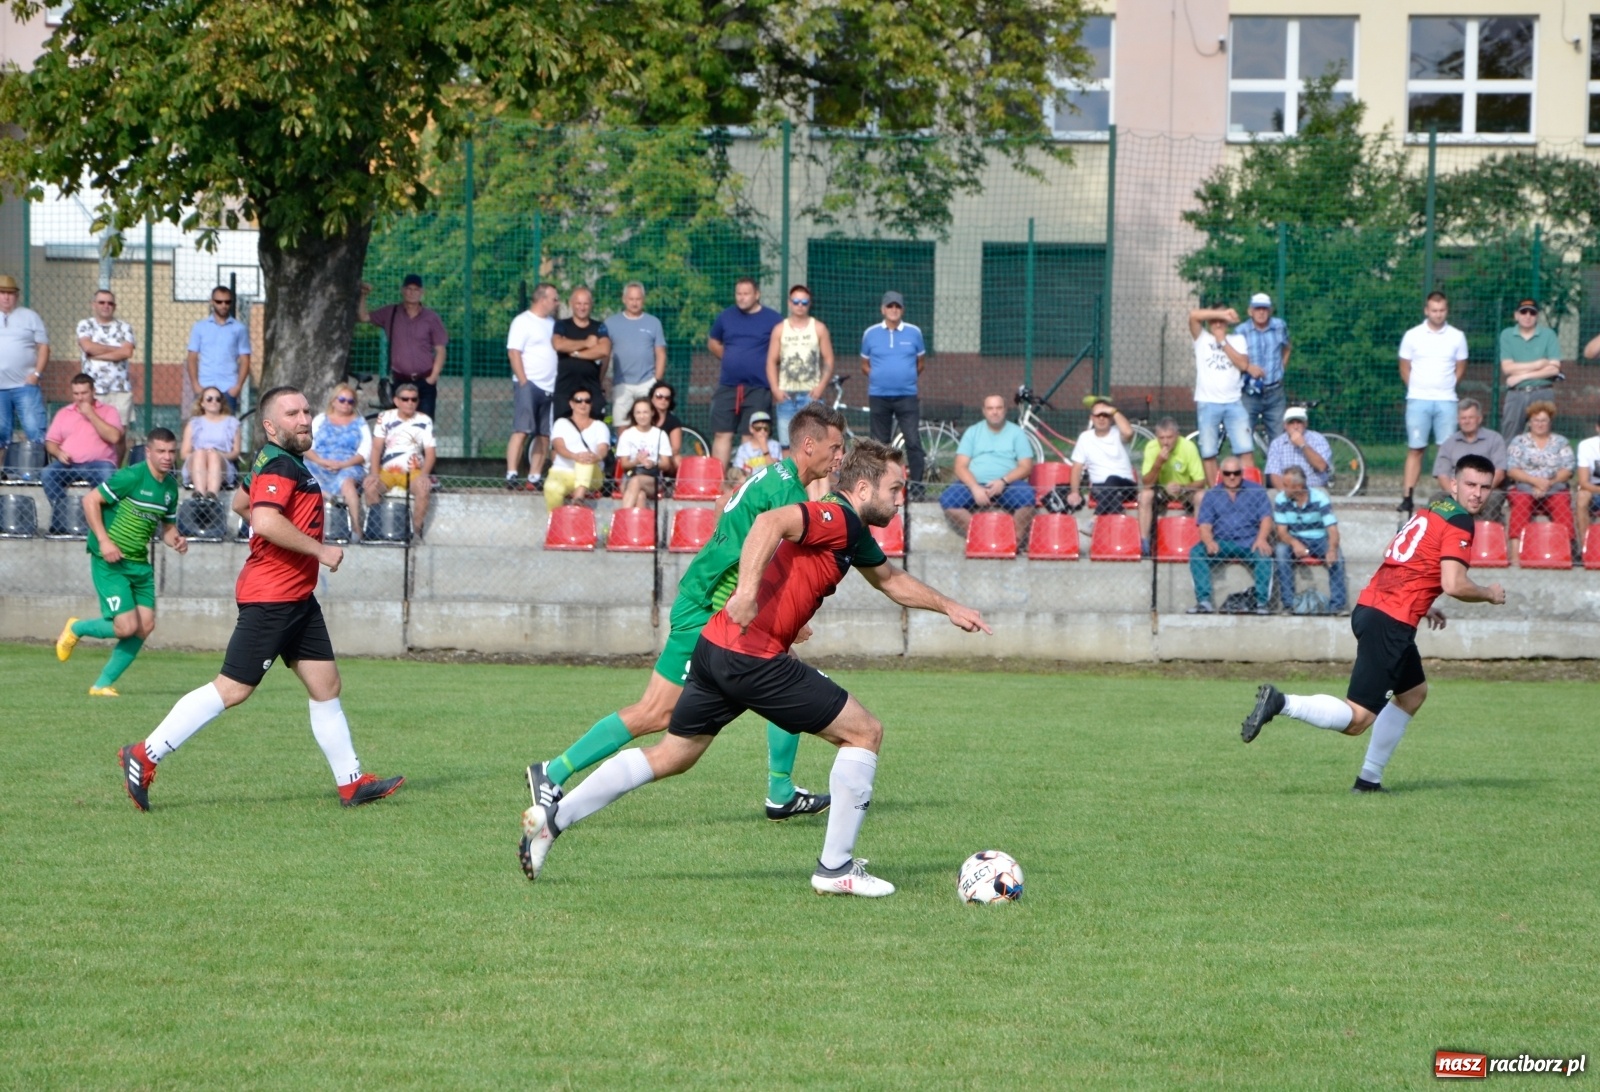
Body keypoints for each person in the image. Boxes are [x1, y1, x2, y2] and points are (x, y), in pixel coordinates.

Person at [519, 440, 992, 895]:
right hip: (753, 657)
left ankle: (553, 821)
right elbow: (768, 523)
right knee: (864, 732)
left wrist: (949, 606)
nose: (899, 498)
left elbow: (890, 579)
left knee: (674, 754)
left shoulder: (854, 533)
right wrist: (746, 593)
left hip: (716, 647)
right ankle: (836, 868)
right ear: (864, 490)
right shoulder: (836, 516)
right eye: (894, 489)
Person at [523, 403, 852, 826]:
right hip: (708, 607)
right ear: (810, 444)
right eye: (835, 446)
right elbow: (761, 549)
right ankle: (552, 772)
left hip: (716, 601)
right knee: (656, 712)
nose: (839, 455)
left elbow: (724, 505)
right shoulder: (785, 494)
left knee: (784, 679)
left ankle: (781, 791)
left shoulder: (774, 475)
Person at [117, 386, 404, 812]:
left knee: (326, 685)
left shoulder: (280, 462)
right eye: (292, 414)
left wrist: (285, 538)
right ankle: (143, 754)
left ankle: (351, 783)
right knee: (232, 689)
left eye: (307, 411)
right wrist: (319, 549)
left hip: (297, 598)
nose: (304, 419)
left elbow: (240, 502)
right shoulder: (281, 465)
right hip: (272, 598)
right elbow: (265, 519)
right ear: (270, 426)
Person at [1240, 454, 1507, 792]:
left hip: (1374, 607)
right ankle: (1282, 702)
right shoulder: (1460, 522)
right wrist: (1489, 593)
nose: (1477, 493)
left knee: (1413, 694)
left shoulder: (1434, 508)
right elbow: (1454, 584)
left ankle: (1368, 781)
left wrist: (1423, 604)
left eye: (1485, 487)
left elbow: (1395, 553)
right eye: (1470, 484)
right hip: (1391, 621)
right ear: (1453, 483)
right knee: (1358, 720)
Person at [55, 427, 186, 697]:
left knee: (145, 625)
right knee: (125, 627)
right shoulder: (132, 476)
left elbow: (168, 528)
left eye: (171, 451)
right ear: (148, 451)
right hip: (111, 560)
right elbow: (91, 500)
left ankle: (101, 685)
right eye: (160, 451)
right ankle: (76, 627)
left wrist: (176, 540)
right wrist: (104, 541)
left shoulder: (171, 487)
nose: (167, 457)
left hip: (140, 564)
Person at [1396, 291, 1468, 515]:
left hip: (1446, 400)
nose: (1438, 314)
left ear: (1447, 311)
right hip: (1418, 400)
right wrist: (1416, 388)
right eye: (1434, 310)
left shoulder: (1457, 336)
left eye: (1442, 310)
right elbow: (1404, 366)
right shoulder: (1412, 335)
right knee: (1416, 448)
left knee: (1447, 450)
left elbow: (1461, 366)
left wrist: (1446, 387)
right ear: (1427, 310)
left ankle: (1452, 495)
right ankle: (1407, 497)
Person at [939, 393, 1036, 543]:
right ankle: (981, 537)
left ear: (1005, 410)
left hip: (1008, 485)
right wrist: (974, 487)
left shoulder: (1017, 433)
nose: (995, 412)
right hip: (973, 484)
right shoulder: (972, 432)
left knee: (1028, 498)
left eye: (999, 408)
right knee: (949, 500)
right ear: (984, 411)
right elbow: (960, 466)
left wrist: (1003, 481)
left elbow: (1026, 466)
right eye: (990, 408)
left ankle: (1013, 542)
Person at [708, 277, 781, 468]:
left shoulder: (773, 319)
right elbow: (713, 342)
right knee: (722, 432)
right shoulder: (725, 317)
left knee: (751, 434)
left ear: (757, 294)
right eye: (738, 293)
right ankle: (719, 484)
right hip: (728, 384)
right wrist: (731, 358)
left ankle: (748, 482)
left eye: (746, 293)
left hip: (759, 386)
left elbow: (781, 349)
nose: (741, 298)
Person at [1188, 455, 1273, 615]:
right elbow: (1204, 524)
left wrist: (1261, 539)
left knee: (1264, 554)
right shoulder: (1212, 494)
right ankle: (1204, 601)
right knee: (1197, 553)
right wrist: (1209, 541)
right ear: (1221, 473)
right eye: (1227, 473)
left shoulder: (1257, 491)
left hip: (1250, 542)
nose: (1232, 477)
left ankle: (1262, 603)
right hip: (1222, 542)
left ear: (1242, 472)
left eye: (1236, 473)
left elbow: (1266, 519)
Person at [359, 274, 448, 420]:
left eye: (416, 289)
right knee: (398, 427)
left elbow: (441, 350)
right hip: (400, 381)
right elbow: (363, 317)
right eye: (409, 289)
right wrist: (363, 295)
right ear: (403, 290)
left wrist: (433, 377)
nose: (412, 293)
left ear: (422, 292)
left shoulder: (431, 318)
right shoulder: (391, 313)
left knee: (424, 425)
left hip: (424, 381)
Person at [860, 290, 926, 487]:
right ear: (883, 309)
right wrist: (879, 378)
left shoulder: (914, 332)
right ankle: (880, 487)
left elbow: (920, 363)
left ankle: (916, 487)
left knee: (913, 441)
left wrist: (906, 378)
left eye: (897, 306)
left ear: (902, 309)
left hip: (907, 396)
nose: (894, 309)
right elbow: (864, 364)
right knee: (879, 445)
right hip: (879, 396)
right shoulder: (870, 334)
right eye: (890, 306)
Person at [43, 373, 124, 533]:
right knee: (48, 474)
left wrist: (90, 414)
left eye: (84, 393)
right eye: (76, 394)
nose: (80, 398)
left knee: (108, 477)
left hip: (99, 463)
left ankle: (105, 523)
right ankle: (64, 516)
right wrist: (58, 453)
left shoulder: (108, 411)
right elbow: (50, 442)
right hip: (69, 464)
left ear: (93, 392)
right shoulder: (64, 413)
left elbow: (114, 437)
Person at [1188, 306, 1257, 482]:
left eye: (1222, 321)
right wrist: (1221, 314)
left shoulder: (1238, 339)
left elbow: (1242, 364)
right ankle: (1215, 494)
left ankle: (1247, 492)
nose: (1218, 324)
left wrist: (1223, 341)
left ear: (1228, 323)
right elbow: (1194, 316)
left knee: (1245, 449)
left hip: (1234, 402)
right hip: (1208, 402)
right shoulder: (1202, 339)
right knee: (1209, 452)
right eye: (1214, 320)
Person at [765, 284, 835, 450]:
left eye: (804, 302)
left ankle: (816, 478)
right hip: (786, 396)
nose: (800, 305)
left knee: (814, 446)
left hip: (811, 396)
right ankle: (789, 477)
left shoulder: (819, 328)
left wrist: (820, 387)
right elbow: (771, 361)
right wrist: (775, 389)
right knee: (787, 446)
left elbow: (829, 360)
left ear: (809, 304)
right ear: (789, 303)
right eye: (796, 301)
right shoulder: (780, 329)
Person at [363, 382, 436, 539]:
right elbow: (376, 448)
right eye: (405, 399)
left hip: (413, 471)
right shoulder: (385, 417)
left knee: (423, 490)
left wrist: (424, 475)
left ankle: (415, 534)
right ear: (396, 401)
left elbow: (430, 453)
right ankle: (378, 530)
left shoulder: (424, 420)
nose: (410, 403)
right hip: (388, 471)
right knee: (371, 488)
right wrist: (374, 473)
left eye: (413, 399)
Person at [505, 283, 560, 491]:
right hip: (530, 384)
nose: (556, 303)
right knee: (522, 429)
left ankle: (535, 476)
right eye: (554, 299)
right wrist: (523, 381)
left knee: (544, 434)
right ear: (542, 299)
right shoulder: (522, 322)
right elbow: (514, 352)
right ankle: (512, 473)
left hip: (550, 386)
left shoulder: (552, 324)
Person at [1272, 466, 1347, 614]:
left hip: (1318, 538)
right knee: (1281, 551)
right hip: (1294, 537)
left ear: (1298, 486)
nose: (1283, 489)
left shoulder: (1320, 498)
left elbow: (1333, 530)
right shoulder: (1281, 499)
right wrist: (1294, 543)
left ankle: (1338, 606)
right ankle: (1288, 604)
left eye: (1287, 486)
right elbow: (1281, 532)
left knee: (1337, 556)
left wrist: (1331, 549)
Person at [1504, 401, 1575, 549]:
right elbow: (1511, 469)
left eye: (1544, 420)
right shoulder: (1519, 441)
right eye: (1536, 420)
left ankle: (1565, 552)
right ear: (1529, 422)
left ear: (1550, 422)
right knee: (1521, 504)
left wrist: (1548, 483)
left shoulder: (1561, 442)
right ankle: (1516, 556)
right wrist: (1535, 481)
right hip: (1524, 487)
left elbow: (1568, 469)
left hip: (1554, 487)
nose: (1540, 424)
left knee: (1561, 504)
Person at [1136, 416, 1206, 555]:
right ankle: (1144, 542)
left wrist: (1182, 487)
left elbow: (1201, 481)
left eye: (1169, 437)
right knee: (1145, 495)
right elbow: (1147, 483)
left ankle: (1201, 542)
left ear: (1177, 436)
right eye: (1161, 438)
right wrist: (1158, 464)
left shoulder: (1188, 447)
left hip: (1185, 490)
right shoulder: (1151, 447)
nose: (1165, 442)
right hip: (1162, 490)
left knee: (1201, 496)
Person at [307, 383, 372, 529]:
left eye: (350, 401)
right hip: (320, 462)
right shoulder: (321, 419)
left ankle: (356, 528)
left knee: (347, 483)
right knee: (303, 475)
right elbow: (306, 446)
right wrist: (320, 461)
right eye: (342, 400)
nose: (346, 404)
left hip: (349, 464)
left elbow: (365, 452)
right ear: (333, 401)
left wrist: (343, 464)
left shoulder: (360, 423)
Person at [1497, 298, 1562, 442]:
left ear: (1537, 316)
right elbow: (1507, 368)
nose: (1527, 316)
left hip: (1542, 390)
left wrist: (1520, 377)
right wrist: (1539, 364)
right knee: (1510, 438)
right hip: (1516, 393)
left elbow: (1554, 369)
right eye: (1523, 312)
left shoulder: (1548, 335)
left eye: (1532, 313)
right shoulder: (1507, 335)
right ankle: (1510, 465)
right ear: (1516, 315)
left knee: (1543, 437)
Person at [76, 288, 136, 444]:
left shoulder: (124, 327)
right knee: (93, 432)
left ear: (114, 306)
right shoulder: (85, 325)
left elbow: (127, 351)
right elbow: (88, 347)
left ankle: (116, 468)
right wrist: (117, 350)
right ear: (93, 305)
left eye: (110, 303)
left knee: (120, 435)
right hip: (94, 389)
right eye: (101, 302)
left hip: (120, 389)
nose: (106, 306)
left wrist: (98, 353)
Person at [1430, 398, 1507, 520]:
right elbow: (1442, 475)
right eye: (1463, 418)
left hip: (1486, 490)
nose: (1467, 421)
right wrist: (1457, 494)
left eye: (1470, 417)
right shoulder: (1449, 444)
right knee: (1437, 498)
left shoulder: (1494, 439)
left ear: (1479, 419)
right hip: (1456, 492)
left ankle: (1482, 536)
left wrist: (1480, 491)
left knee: (1493, 498)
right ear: (1458, 420)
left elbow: (1500, 472)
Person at [603, 282, 667, 425]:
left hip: (647, 383)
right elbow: (605, 354)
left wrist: (656, 382)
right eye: (631, 299)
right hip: (621, 384)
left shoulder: (654, 323)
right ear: (624, 299)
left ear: (643, 299)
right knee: (622, 427)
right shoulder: (611, 323)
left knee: (648, 426)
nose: (634, 303)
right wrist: (601, 378)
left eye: (638, 299)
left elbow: (661, 354)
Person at [0, 272, 50, 453]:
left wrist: (36, 374)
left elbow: (43, 347)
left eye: (10, 293)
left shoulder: (30, 316)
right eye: (2, 292)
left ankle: (37, 474)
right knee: (0, 433)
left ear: (16, 296)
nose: (6, 297)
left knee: (34, 429)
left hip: (25, 385)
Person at [1234, 293, 1292, 445]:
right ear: (1250, 311)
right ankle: (1245, 469)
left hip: (1275, 392)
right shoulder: (1241, 331)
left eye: (1265, 309)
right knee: (1243, 437)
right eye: (1257, 308)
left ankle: (1274, 468)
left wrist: (1281, 369)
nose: (1261, 312)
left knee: (1279, 439)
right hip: (1249, 393)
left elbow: (1287, 348)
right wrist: (1247, 368)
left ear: (1270, 310)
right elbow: (1234, 359)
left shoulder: (1279, 326)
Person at [184, 285, 251, 414]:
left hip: (228, 387)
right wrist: (196, 385)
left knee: (227, 430)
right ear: (212, 302)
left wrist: (237, 387)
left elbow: (245, 360)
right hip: (204, 386)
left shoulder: (239, 329)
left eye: (227, 302)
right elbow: (192, 357)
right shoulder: (200, 327)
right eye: (219, 302)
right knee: (201, 429)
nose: (223, 305)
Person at [1065, 399, 1136, 513]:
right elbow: (1077, 467)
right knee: (1114, 499)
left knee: (1112, 480)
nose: (1101, 418)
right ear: (1092, 418)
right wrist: (1075, 492)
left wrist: (1112, 410)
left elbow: (1128, 432)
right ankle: (1115, 527)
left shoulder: (1118, 433)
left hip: (1126, 486)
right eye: (1098, 415)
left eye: (1105, 415)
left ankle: (1096, 517)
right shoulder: (1085, 438)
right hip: (1100, 488)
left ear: (1111, 418)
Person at [545, 389, 611, 510]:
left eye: (587, 401)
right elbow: (559, 446)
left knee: (586, 458)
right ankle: (555, 524)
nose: (583, 404)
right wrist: (574, 456)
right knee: (551, 488)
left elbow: (603, 448)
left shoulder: (600, 426)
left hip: (592, 475)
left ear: (591, 404)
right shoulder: (561, 423)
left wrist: (596, 457)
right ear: (571, 404)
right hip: (562, 471)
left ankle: (578, 499)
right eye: (578, 400)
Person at [553, 286, 611, 419]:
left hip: (592, 388)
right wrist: (586, 344)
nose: (582, 307)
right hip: (565, 390)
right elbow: (558, 344)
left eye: (586, 303)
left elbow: (604, 350)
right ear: (571, 304)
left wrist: (576, 353)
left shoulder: (599, 327)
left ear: (591, 305)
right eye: (578, 303)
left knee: (595, 432)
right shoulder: (562, 325)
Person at [180, 386, 241, 498]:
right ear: (202, 403)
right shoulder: (193, 424)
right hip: (197, 461)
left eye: (218, 399)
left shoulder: (232, 423)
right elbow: (184, 453)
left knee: (213, 456)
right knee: (200, 454)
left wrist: (218, 454)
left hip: (222, 461)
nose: (214, 402)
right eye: (209, 399)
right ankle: (199, 494)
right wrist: (203, 453)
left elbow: (236, 452)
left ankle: (211, 496)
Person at [615, 397, 673, 510]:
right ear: (634, 415)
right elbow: (624, 464)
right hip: (631, 475)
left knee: (637, 481)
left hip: (652, 478)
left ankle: (621, 521)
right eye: (638, 412)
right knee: (640, 496)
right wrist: (636, 461)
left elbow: (666, 464)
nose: (642, 416)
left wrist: (653, 463)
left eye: (645, 412)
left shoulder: (660, 434)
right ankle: (636, 527)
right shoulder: (627, 434)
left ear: (652, 413)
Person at [1263, 406, 1332, 491]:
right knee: (1271, 495)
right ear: (1285, 425)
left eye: (1299, 422)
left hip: (1314, 490)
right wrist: (1286, 493)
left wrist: (1303, 445)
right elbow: (1274, 475)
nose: (1295, 427)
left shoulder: (1318, 439)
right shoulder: (1277, 443)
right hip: (1285, 491)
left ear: (1305, 424)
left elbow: (1321, 467)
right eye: (1291, 423)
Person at [731, 411, 782, 482]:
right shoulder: (743, 449)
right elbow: (737, 472)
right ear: (751, 429)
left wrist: (764, 448)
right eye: (758, 428)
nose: (762, 431)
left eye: (766, 428)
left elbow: (774, 470)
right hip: (749, 483)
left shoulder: (774, 445)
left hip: (769, 481)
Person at [1575, 415, 1600, 549]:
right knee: (1582, 496)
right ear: (1597, 428)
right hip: (1594, 490)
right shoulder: (1586, 446)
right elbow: (1583, 482)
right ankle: (1586, 547)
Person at [649, 381, 688, 457]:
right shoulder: (644, 416)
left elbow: (675, 449)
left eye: (667, 398)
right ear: (651, 398)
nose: (663, 400)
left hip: (664, 456)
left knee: (677, 459)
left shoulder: (673, 421)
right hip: (642, 455)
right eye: (659, 396)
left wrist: (655, 455)